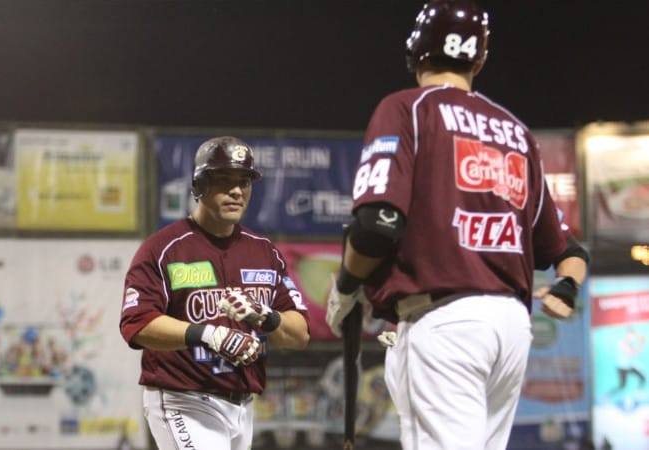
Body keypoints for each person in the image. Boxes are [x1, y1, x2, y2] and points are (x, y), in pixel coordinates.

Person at [324, 1, 589, 449]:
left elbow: (377, 225)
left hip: (444, 321)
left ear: (416, 53)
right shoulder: (515, 132)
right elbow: (569, 252)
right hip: (510, 328)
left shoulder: (408, 108)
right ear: (479, 59)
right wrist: (566, 289)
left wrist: (348, 286)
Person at [119, 136, 310, 450]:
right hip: (184, 399)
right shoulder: (163, 248)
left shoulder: (264, 251)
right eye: (224, 180)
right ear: (199, 186)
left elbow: (299, 334)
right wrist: (209, 334)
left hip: (244, 405)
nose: (237, 191)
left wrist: (268, 317)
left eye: (244, 181)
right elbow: (137, 324)